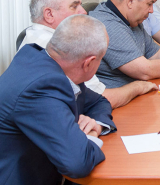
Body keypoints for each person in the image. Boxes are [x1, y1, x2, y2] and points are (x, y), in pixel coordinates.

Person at [0, 15, 116, 184]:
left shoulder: (47, 63)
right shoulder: (42, 87)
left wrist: (96, 124)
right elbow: (78, 164)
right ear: (89, 63)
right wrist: (90, 135)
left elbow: (99, 102)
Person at [18, 0, 158, 108]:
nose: (84, 12)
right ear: (49, 14)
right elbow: (100, 98)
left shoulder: (34, 35)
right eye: (74, 6)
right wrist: (138, 87)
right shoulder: (56, 46)